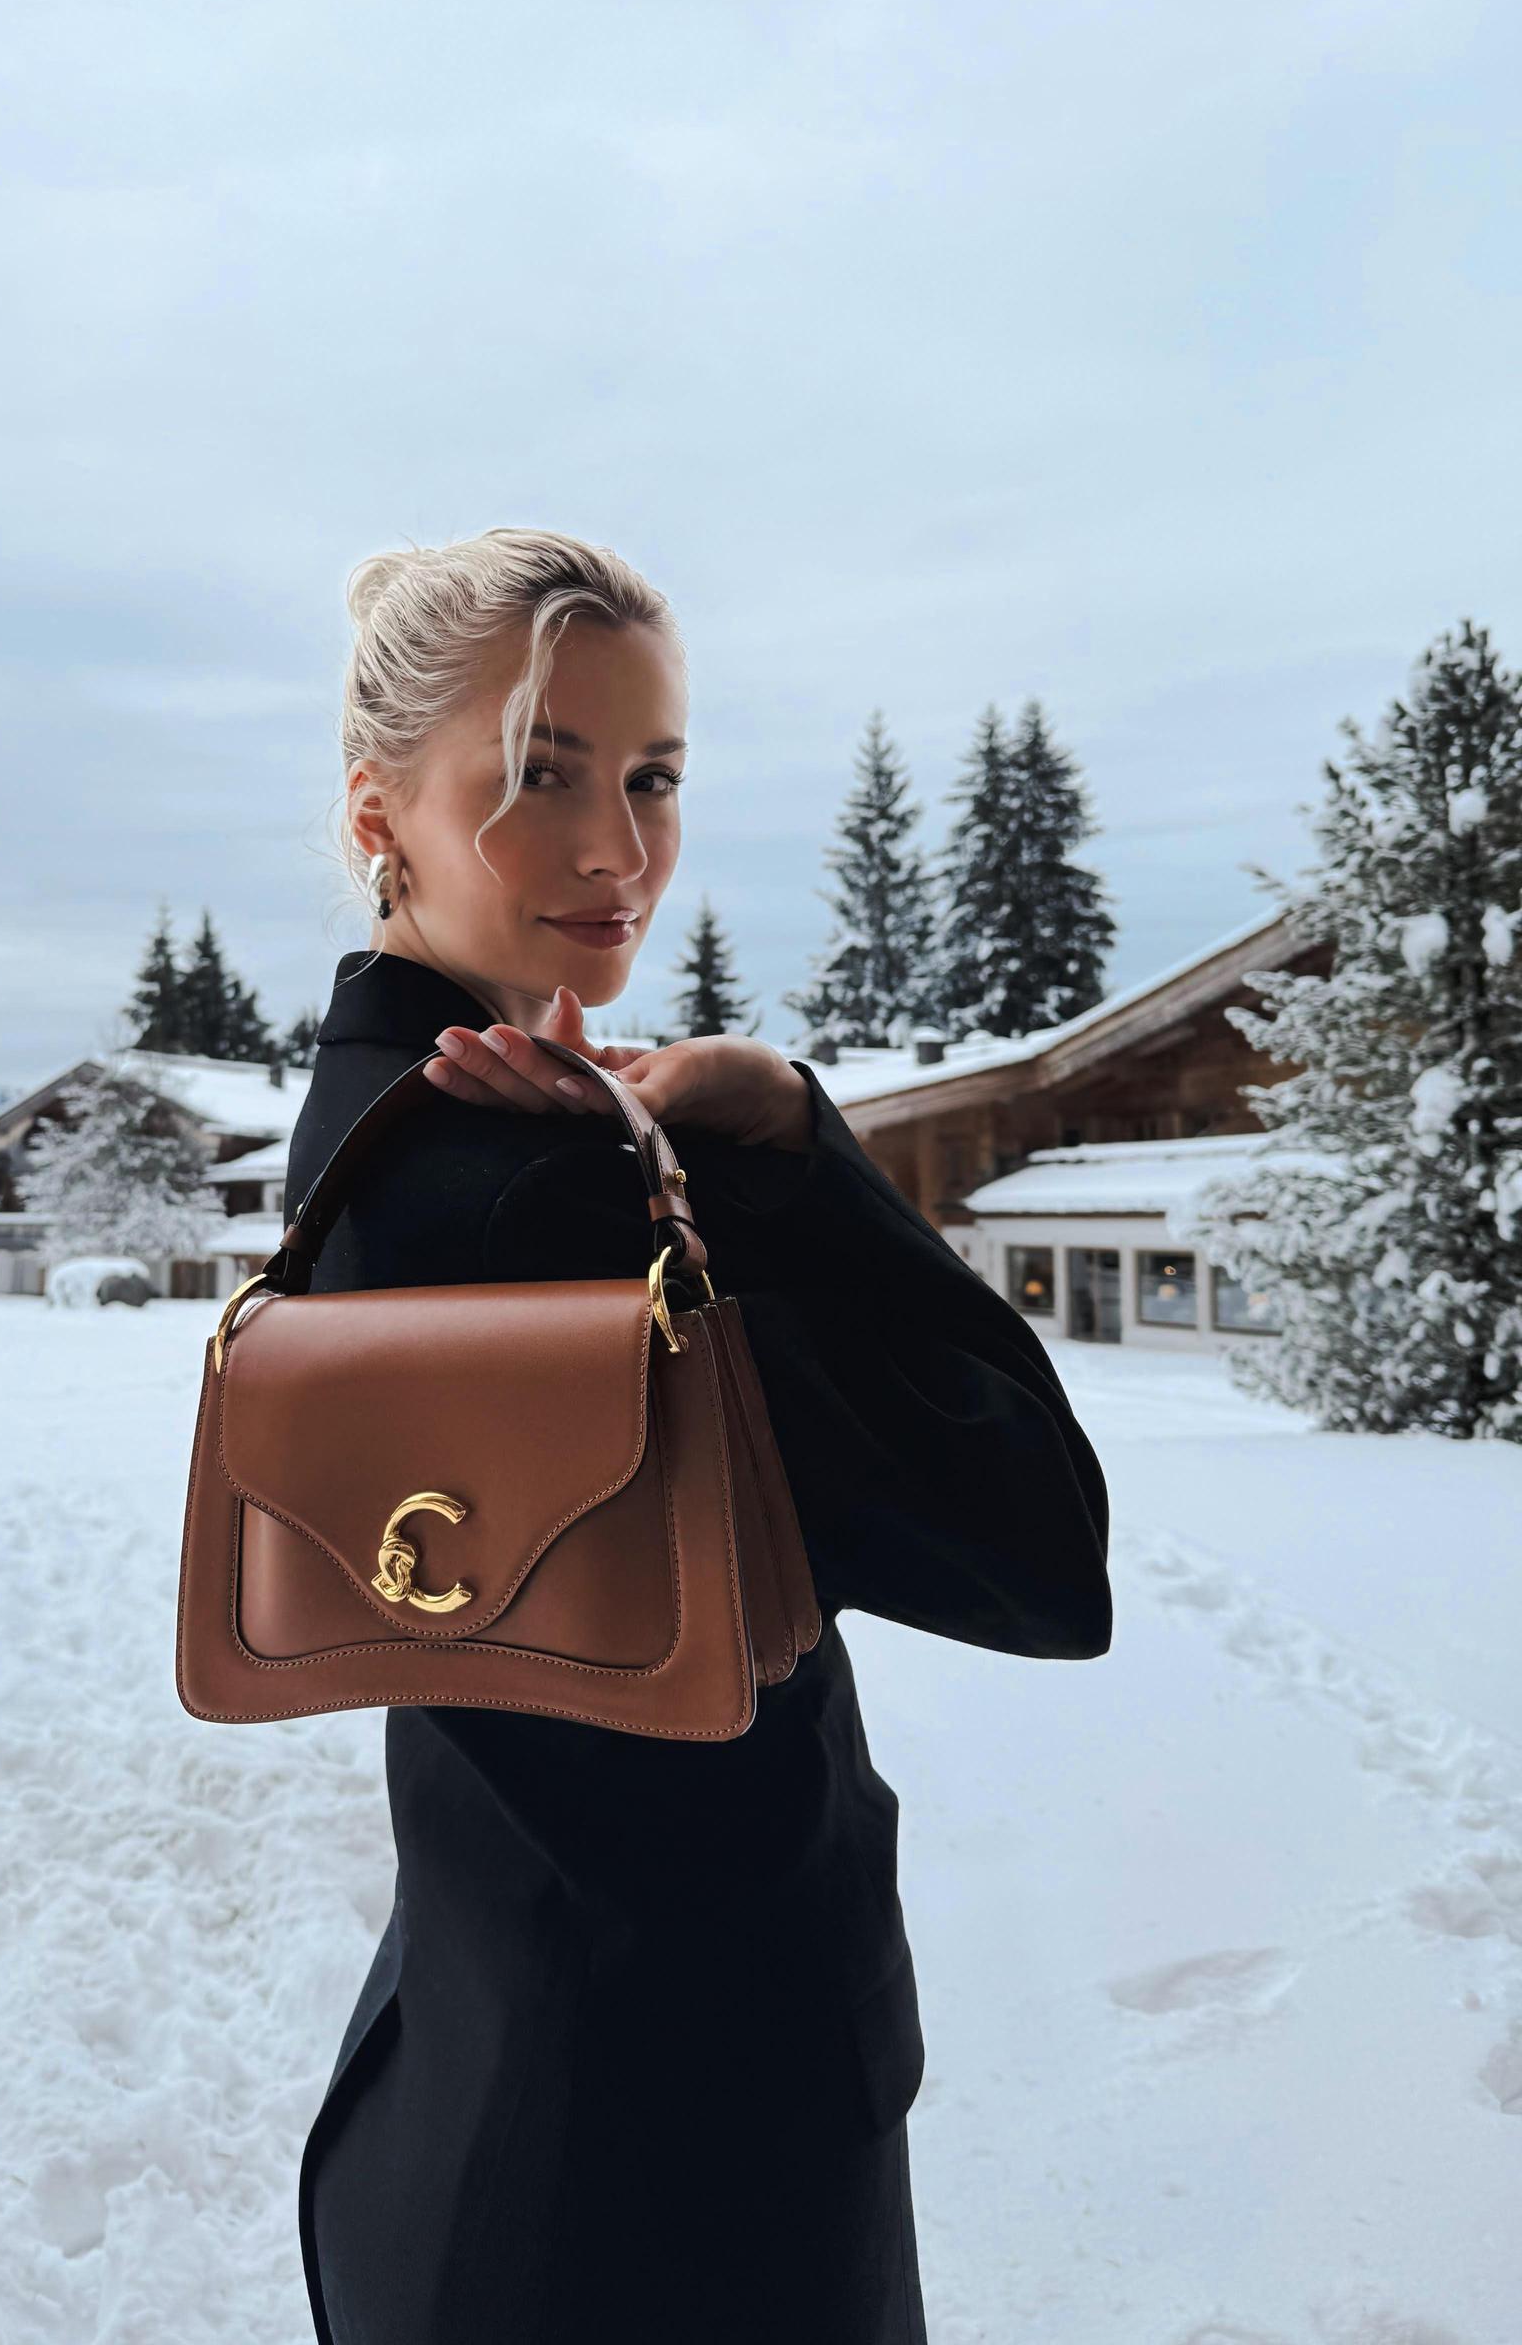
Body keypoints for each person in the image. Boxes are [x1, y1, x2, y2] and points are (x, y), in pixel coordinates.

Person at [284, 528, 1113, 2345]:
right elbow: (1045, 1544)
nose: (617, 849)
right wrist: (803, 1146)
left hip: (481, 2075)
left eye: (651, 777)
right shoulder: (544, 1196)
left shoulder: (368, 1126)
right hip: (678, 2171)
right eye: (538, 773)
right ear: (380, 813)